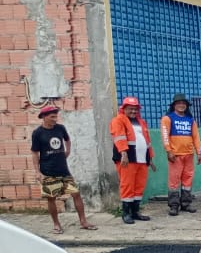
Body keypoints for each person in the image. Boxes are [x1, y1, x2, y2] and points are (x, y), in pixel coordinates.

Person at [30, 105, 95, 234]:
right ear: (44, 117)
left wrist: (68, 151)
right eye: (52, 117)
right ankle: (56, 224)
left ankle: (83, 221)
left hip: (64, 170)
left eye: (56, 116)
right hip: (48, 171)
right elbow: (34, 153)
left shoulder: (60, 128)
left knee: (76, 194)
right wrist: (37, 172)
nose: (55, 119)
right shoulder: (38, 133)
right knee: (51, 198)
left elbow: (67, 139)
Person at [109, 95, 155, 224]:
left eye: (135, 109)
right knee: (127, 185)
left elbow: (147, 141)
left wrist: (150, 158)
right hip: (128, 159)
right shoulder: (118, 120)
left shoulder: (142, 122)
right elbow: (119, 137)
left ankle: (135, 212)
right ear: (124, 109)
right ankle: (126, 213)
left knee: (139, 186)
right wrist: (123, 153)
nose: (133, 111)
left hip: (142, 159)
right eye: (130, 109)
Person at [160, 93, 201, 216]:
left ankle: (186, 203)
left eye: (184, 103)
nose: (181, 105)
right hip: (175, 155)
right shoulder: (167, 118)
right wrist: (169, 151)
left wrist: (199, 152)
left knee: (187, 180)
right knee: (174, 181)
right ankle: (174, 205)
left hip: (189, 155)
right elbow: (165, 136)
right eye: (179, 103)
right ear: (174, 105)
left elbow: (196, 137)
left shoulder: (191, 120)